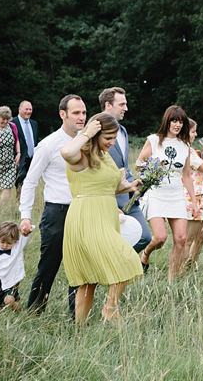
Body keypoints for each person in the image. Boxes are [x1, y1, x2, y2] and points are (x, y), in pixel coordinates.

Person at [60, 113, 143, 323]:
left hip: (106, 216)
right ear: (95, 135)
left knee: (90, 281)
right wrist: (86, 133)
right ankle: (110, 308)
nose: (112, 143)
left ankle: (80, 330)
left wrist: (130, 187)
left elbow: (109, 188)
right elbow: (66, 151)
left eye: (114, 138)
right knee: (127, 258)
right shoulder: (81, 156)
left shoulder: (105, 157)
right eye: (107, 138)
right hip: (87, 218)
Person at [19, 94, 87, 315]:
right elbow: (30, 182)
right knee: (48, 266)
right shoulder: (48, 145)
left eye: (84, 112)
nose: (81, 117)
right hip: (56, 213)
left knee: (79, 268)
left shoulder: (88, 142)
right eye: (76, 112)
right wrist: (25, 216)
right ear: (62, 114)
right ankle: (34, 313)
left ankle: (75, 316)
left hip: (82, 212)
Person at [138, 105, 198, 281]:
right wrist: (152, 170)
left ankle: (171, 280)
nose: (177, 125)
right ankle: (146, 253)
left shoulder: (184, 146)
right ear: (167, 121)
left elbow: (186, 176)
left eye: (180, 121)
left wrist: (193, 201)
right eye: (174, 120)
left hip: (176, 196)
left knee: (181, 239)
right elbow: (139, 163)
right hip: (156, 194)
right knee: (160, 237)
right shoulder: (154, 140)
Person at [99, 87, 151, 252]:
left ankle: (118, 264)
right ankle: (112, 271)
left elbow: (124, 164)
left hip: (129, 196)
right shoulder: (96, 132)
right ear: (108, 105)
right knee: (111, 239)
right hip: (109, 197)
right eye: (122, 104)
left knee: (145, 237)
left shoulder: (123, 131)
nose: (126, 108)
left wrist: (136, 185)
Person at [181, 119, 203, 271]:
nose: (195, 134)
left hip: (200, 197)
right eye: (193, 131)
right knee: (188, 239)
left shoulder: (192, 151)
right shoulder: (185, 151)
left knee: (201, 237)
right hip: (190, 198)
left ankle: (191, 267)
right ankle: (182, 271)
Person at [0, 221, 35, 312]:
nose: (5, 245)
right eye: (2, 242)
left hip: (10, 280)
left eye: (9, 243)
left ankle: (18, 310)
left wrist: (26, 230)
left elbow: (25, 239)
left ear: (15, 241)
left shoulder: (17, 249)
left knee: (8, 300)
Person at [11, 100, 38, 198]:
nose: (28, 111)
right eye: (26, 109)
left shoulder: (34, 124)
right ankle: (20, 201)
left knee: (31, 182)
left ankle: (28, 199)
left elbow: (35, 141)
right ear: (19, 110)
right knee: (20, 179)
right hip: (19, 158)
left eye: (30, 109)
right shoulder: (12, 123)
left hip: (32, 159)